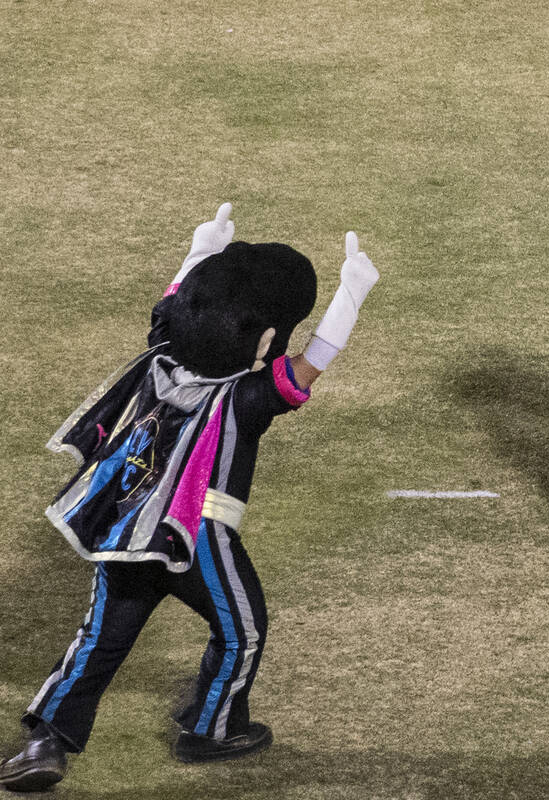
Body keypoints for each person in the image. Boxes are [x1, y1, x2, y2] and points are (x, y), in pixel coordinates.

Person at [0, 205, 380, 792]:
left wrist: (200, 252)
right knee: (242, 629)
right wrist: (351, 293)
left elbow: (171, 306)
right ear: (261, 339)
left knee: (101, 637)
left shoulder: (158, 358)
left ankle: (45, 741)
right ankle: (210, 727)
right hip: (196, 535)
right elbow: (312, 363)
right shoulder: (244, 399)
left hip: (126, 528)